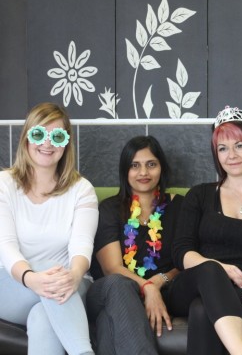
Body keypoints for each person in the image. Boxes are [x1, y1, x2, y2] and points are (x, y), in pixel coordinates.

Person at [166, 105, 242, 355]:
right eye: (222, 148)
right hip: (192, 283)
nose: (231, 155)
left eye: (239, 146)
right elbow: (181, 251)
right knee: (210, 270)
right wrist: (219, 268)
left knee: (202, 309)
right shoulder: (199, 195)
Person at [0, 102, 98, 355]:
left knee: (44, 316)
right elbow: (5, 246)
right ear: (26, 139)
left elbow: (82, 245)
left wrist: (74, 275)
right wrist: (31, 278)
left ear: (66, 143)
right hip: (12, 284)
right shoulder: (4, 184)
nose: (47, 143)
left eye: (57, 136)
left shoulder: (82, 189)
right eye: (38, 134)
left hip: (70, 282)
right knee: (49, 278)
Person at [86, 136, 183, 354]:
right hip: (107, 292)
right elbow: (112, 268)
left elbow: (186, 257)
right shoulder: (110, 208)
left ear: (161, 168)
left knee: (107, 322)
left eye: (151, 164)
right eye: (135, 165)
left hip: (164, 292)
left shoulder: (180, 207)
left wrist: (160, 280)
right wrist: (148, 287)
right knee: (118, 285)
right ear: (125, 171)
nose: (143, 173)